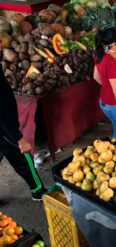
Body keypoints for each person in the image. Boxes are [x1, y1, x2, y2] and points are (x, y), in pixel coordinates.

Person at [0, 43, 46, 202]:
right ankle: (38, 190)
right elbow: (3, 112)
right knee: (23, 159)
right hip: (5, 131)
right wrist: (19, 138)